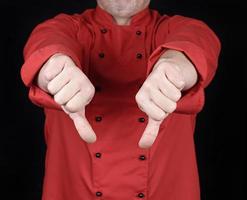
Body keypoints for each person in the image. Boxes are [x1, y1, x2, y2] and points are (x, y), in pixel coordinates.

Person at [20, 0, 221, 199]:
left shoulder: (185, 28)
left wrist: (174, 67)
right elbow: (46, 46)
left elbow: (194, 44)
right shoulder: (60, 28)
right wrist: (56, 68)